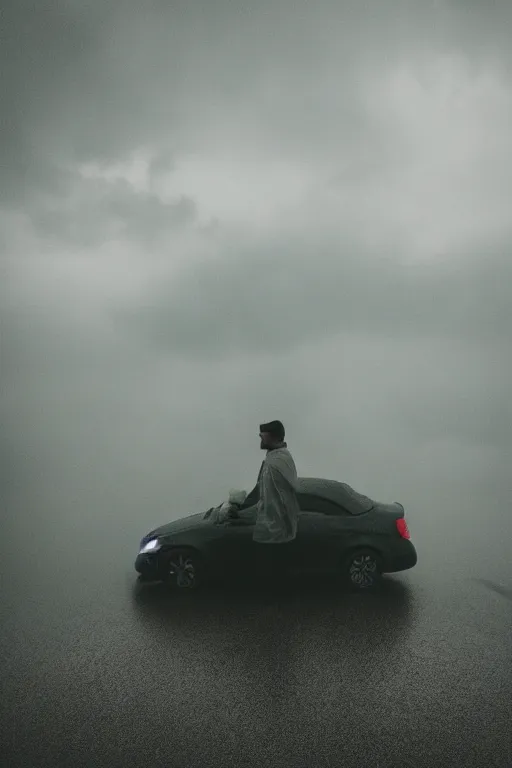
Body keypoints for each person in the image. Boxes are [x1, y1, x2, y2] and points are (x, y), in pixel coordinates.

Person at [233, 420, 300, 582]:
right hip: (272, 526)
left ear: (273, 437)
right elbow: (261, 490)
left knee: (274, 571)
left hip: (276, 528)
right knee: (271, 570)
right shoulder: (274, 458)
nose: (261, 440)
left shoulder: (277, 462)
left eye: (263, 436)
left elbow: (279, 495)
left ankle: (276, 602)